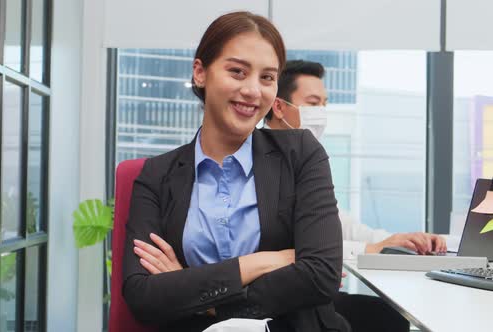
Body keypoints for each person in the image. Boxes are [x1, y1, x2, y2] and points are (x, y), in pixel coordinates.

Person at [122, 12, 350, 332]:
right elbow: (142, 295)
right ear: (200, 73)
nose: (253, 90)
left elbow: (321, 275)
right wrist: (264, 262)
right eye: (237, 72)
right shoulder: (157, 175)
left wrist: (205, 300)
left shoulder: (301, 153)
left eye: (267, 78)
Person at [264, 59, 448, 332]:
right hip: (282, 301)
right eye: (313, 103)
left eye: (325, 104)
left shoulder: (305, 160)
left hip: (310, 298)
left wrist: (399, 241)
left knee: (387, 316)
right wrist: (372, 248)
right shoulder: (264, 165)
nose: (322, 112)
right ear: (279, 106)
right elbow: (302, 247)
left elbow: (340, 224)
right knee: (383, 320)